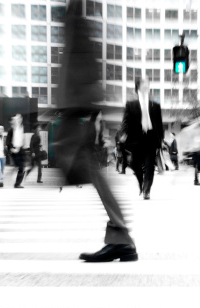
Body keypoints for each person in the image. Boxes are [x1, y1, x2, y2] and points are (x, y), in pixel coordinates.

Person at [55, 0, 137, 262]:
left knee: (93, 173)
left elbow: (83, 67)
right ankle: (120, 237)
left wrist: (80, 108)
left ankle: (121, 236)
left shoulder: (76, 21)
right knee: (93, 172)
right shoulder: (76, 20)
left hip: (78, 111)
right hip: (78, 109)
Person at [119, 75, 164, 200]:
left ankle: (147, 189)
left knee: (150, 165)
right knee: (134, 162)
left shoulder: (155, 106)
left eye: (148, 83)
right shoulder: (131, 104)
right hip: (136, 139)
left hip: (151, 137)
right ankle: (141, 182)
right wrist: (124, 133)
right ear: (138, 85)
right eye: (145, 82)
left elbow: (159, 125)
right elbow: (126, 121)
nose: (147, 84)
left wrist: (160, 141)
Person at [181, 118, 200, 185]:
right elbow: (198, 140)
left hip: (196, 150)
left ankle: (196, 180)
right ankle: (196, 180)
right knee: (198, 166)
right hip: (197, 150)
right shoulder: (196, 130)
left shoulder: (196, 130)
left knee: (197, 166)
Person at [6, 114, 26, 188]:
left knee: (21, 168)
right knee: (19, 167)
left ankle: (17, 183)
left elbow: (21, 140)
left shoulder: (21, 128)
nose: (19, 120)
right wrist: (12, 149)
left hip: (21, 151)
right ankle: (15, 183)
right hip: (14, 151)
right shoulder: (11, 130)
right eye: (17, 119)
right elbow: (8, 142)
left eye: (20, 119)